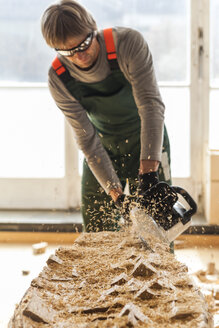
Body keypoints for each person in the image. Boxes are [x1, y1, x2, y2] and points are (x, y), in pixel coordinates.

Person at [41, 0, 172, 233]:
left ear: (94, 28)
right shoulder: (58, 78)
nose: (79, 56)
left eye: (83, 45)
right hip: (102, 146)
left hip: (146, 136)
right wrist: (116, 194)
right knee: (97, 226)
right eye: (67, 51)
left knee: (159, 224)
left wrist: (150, 171)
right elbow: (87, 139)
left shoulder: (128, 43)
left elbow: (151, 106)